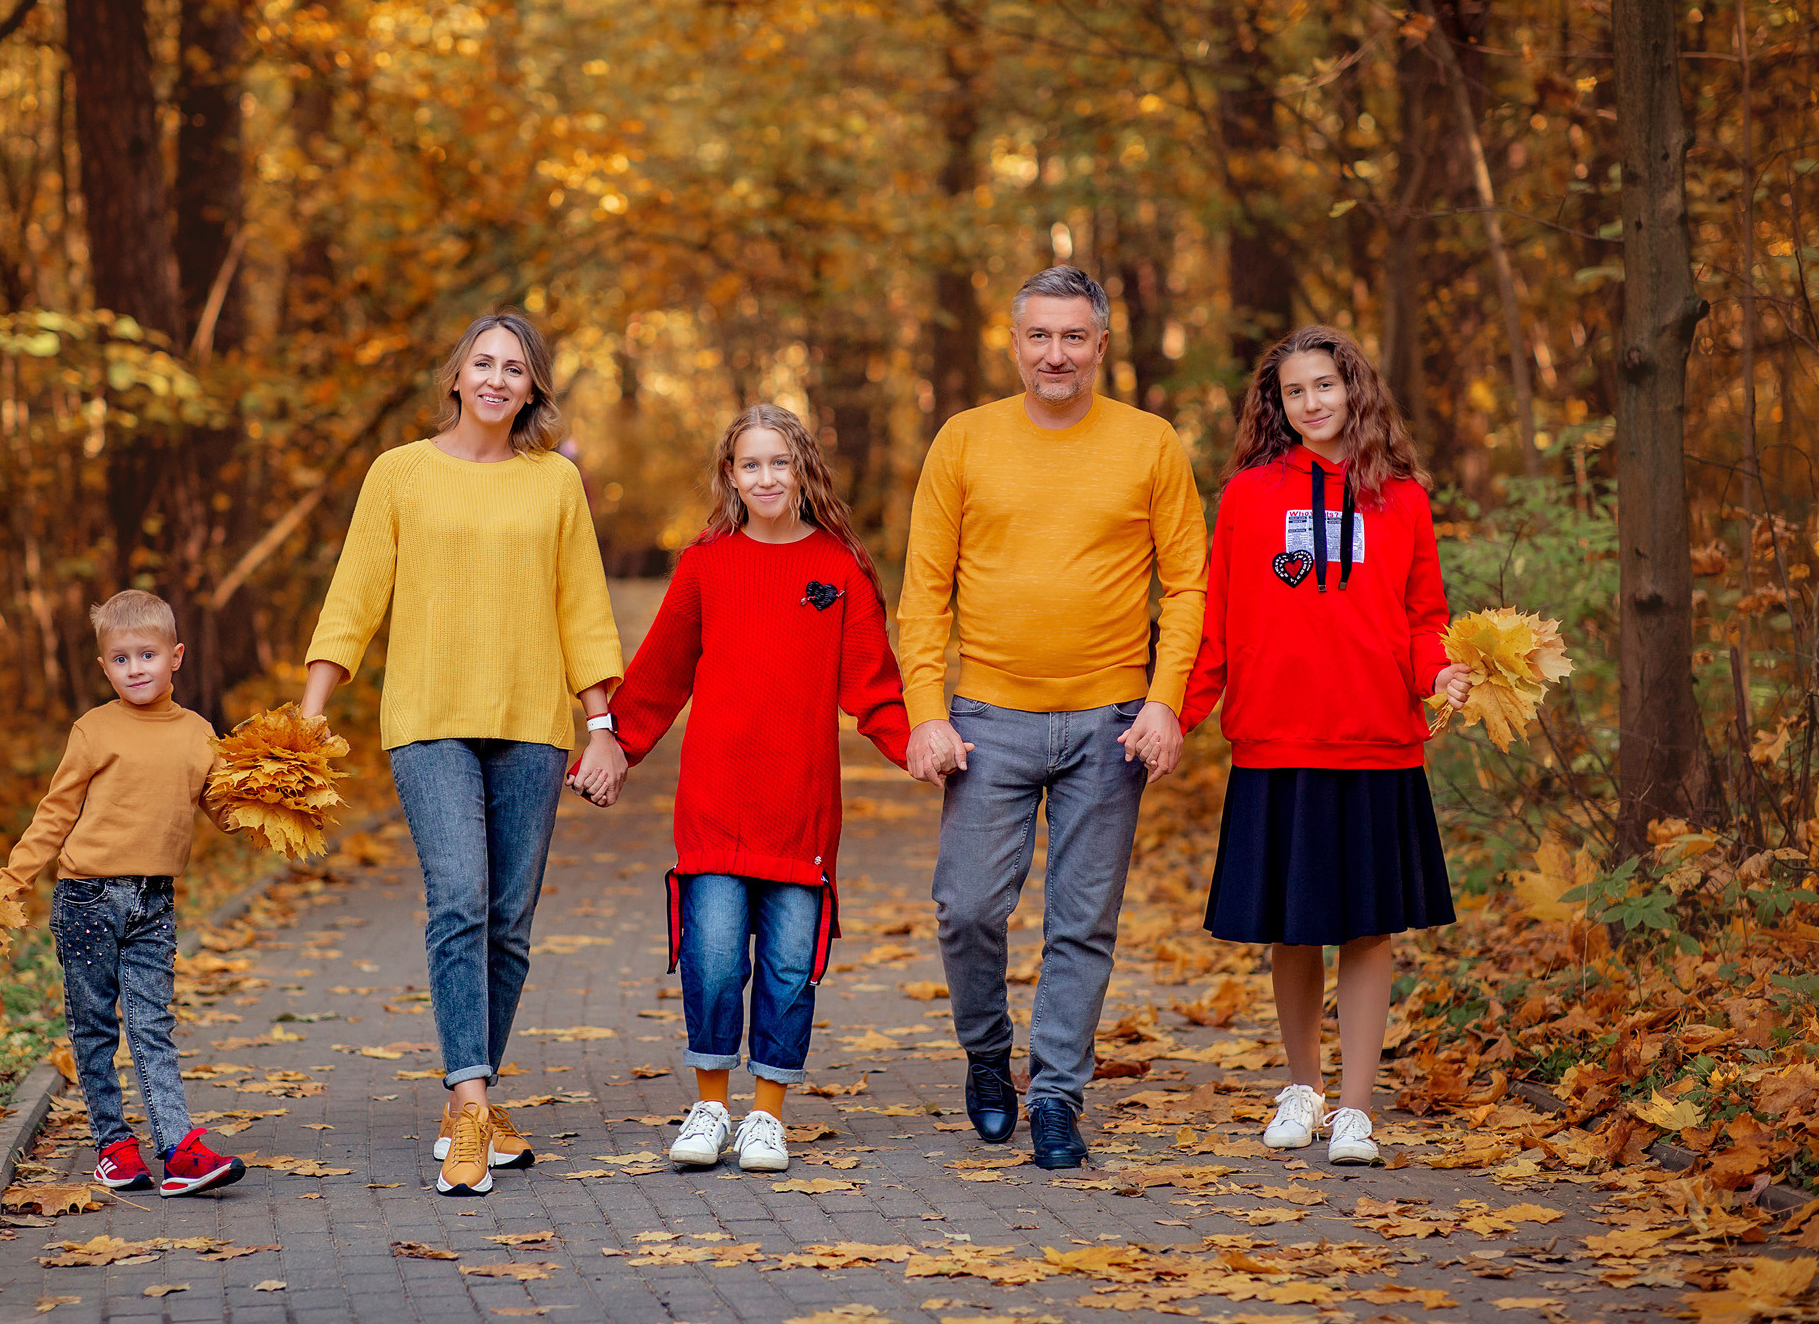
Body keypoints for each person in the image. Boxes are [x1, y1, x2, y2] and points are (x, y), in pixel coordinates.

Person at [299, 313, 625, 1197]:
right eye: (482, 362)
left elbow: (582, 608)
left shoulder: (554, 482)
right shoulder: (399, 473)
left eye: (514, 368)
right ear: (455, 377)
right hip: (429, 719)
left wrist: (602, 727)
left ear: (532, 389)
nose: (495, 379)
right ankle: (472, 1106)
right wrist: (311, 714)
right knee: (462, 897)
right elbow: (355, 593)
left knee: (510, 925)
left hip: (530, 723)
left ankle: (466, 1102)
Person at [898, 265, 1209, 1169]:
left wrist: (1166, 700)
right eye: (1040, 336)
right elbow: (924, 590)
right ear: (1015, 341)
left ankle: (1060, 1095)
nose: (1056, 353)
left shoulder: (1150, 444)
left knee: (1081, 921)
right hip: (986, 718)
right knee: (968, 909)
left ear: (1102, 345)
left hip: (1111, 722)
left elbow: (1189, 583)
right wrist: (926, 710)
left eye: (1075, 337)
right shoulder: (964, 441)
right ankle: (989, 1059)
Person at [569, 404, 911, 1173]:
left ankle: (767, 1115)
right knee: (716, 958)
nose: (766, 477)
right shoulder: (706, 563)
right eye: (750, 464)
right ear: (731, 474)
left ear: (804, 471)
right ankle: (711, 1105)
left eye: (779, 463)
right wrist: (614, 747)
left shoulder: (838, 568)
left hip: (801, 811)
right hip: (716, 804)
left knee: (791, 967)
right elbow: (658, 674)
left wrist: (918, 746)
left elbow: (875, 689)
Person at [1178, 325, 1472, 1166]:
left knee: (1368, 928)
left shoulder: (1402, 497)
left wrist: (1439, 675)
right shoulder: (1247, 496)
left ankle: (1354, 1109)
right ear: (1277, 403)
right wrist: (1181, 711)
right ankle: (1302, 1089)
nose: (1310, 403)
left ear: (1355, 390)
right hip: (1278, 736)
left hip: (1376, 737)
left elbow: (1424, 616)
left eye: (1324, 386)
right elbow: (1222, 619)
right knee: (1294, 927)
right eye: (1293, 391)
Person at [0, 589, 246, 1198]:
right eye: (122, 659)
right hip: (85, 899)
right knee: (96, 1026)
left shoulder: (197, 733)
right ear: (104, 667)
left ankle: (178, 1149)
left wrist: (271, 809)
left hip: (154, 900)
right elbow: (55, 814)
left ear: (176, 656)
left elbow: (221, 809)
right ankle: (112, 1144)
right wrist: (11, 881)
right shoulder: (94, 730)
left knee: (152, 1024)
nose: (136, 669)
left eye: (148, 655)